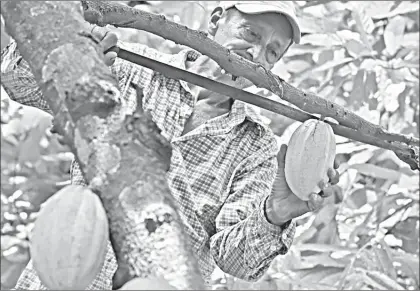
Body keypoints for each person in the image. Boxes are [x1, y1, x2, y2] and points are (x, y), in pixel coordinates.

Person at [1, 1, 340, 289]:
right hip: (62, 273)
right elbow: (17, 81)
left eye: (271, 52)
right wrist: (78, 63)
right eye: (251, 34)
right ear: (217, 18)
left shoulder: (258, 149)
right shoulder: (132, 67)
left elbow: (236, 261)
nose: (256, 55)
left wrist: (277, 213)